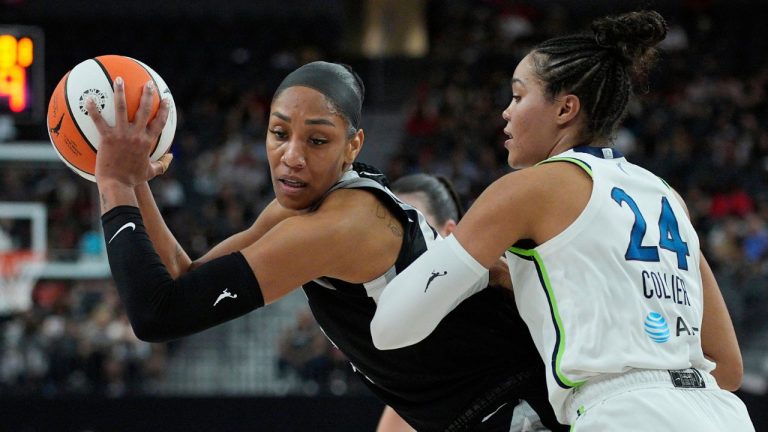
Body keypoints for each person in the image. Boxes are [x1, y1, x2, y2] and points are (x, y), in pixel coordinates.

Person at [87, 61, 564, 431]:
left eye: (317, 140)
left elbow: (157, 314)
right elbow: (183, 278)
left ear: (353, 146)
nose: (291, 156)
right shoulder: (303, 208)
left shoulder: (343, 225)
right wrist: (133, 181)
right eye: (279, 134)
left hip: (517, 411)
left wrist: (111, 182)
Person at [371, 10, 756, 431]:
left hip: (621, 414)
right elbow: (727, 367)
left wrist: (475, 273)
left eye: (518, 97)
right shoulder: (666, 195)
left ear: (565, 109)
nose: (505, 112)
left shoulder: (529, 188)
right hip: (719, 414)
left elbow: (390, 327)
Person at [380, 173, 555, 432]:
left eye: (412, 230)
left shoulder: (512, 290)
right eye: (387, 237)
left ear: (451, 234)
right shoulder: (413, 354)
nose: (398, 248)